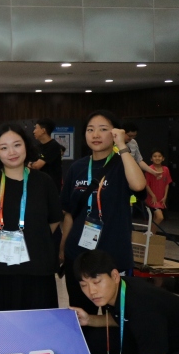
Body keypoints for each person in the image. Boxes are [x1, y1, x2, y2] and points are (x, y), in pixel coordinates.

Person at [61, 111, 147, 312]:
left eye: (103, 129)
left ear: (115, 133)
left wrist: (122, 146)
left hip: (114, 256)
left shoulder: (123, 164)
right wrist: (63, 247)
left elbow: (138, 185)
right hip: (79, 256)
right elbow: (69, 213)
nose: (96, 135)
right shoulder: (77, 167)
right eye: (90, 129)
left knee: (118, 317)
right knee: (81, 317)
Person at [0, 123, 63, 311]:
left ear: (26, 145)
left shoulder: (43, 181)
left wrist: (34, 238)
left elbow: (55, 220)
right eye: (4, 148)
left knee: (38, 322)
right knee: (0, 323)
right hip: (0, 268)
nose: (12, 152)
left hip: (38, 267)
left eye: (17, 145)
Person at [30, 119, 65, 191]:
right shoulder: (38, 147)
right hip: (39, 185)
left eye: (36, 128)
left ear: (43, 130)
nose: (34, 131)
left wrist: (29, 164)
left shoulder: (53, 146)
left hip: (51, 187)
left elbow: (37, 166)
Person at [145, 150, 171, 230]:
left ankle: (151, 234)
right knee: (160, 217)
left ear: (163, 158)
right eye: (155, 156)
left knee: (156, 218)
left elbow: (167, 183)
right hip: (152, 199)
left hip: (161, 198)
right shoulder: (150, 169)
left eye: (159, 156)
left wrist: (165, 197)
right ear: (151, 158)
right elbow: (146, 184)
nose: (157, 158)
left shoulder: (166, 169)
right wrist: (153, 195)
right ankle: (151, 233)